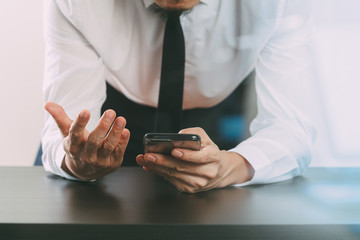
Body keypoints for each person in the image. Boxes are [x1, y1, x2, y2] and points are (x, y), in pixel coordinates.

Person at [42, 0, 316, 193]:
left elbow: (291, 129)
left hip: (219, 135)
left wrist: (232, 166)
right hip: (113, 126)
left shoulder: (279, 4)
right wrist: (75, 161)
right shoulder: (77, 3)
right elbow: (65, 129)